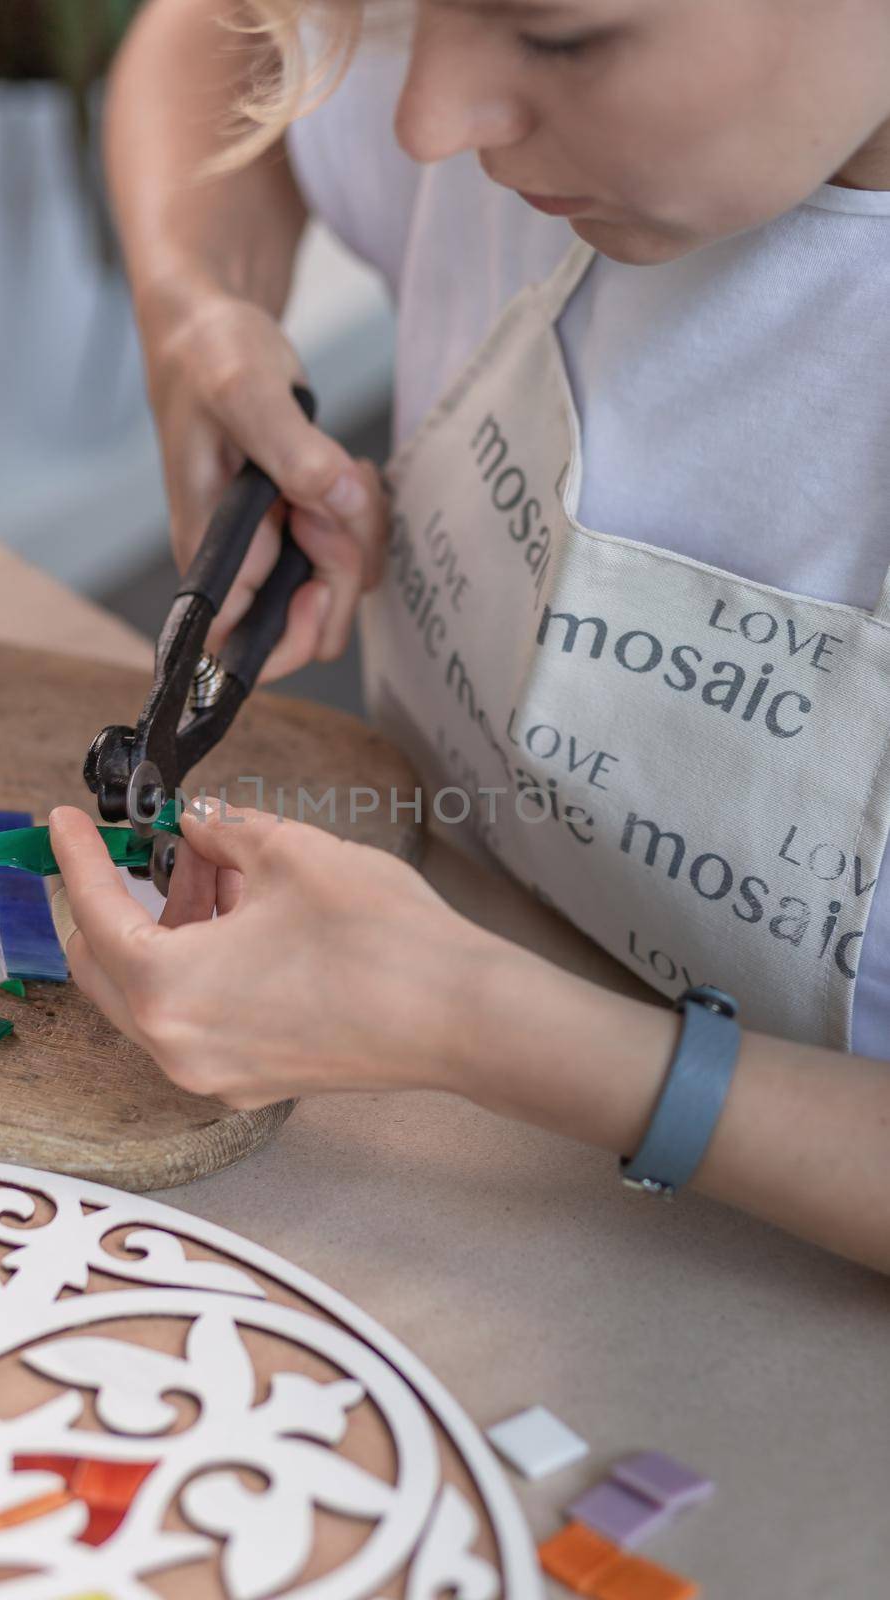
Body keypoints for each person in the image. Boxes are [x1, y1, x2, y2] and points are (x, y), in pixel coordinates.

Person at [48, 0, 890, 1274]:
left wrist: (479, 1024)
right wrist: (195, 307)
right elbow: (207, 33)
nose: (424, 121)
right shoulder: (499, 111)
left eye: (559, 36)